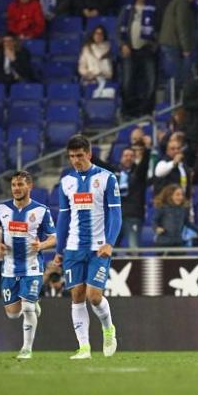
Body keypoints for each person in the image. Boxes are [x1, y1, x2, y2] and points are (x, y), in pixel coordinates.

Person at [54, 135, 121, 360]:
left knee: (94, 296)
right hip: (73, 248)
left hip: (99, 247)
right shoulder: (66, 182)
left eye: (80, 156)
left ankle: (108, 329)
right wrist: (59, 251)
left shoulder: (107, 178)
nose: (76, 160)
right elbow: (63, 219)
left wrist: (109, 243)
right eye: (72, 156)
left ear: (89, 154)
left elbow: (116, 215)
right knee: (77, 296)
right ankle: (84, 348)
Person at [0, 170, 55, 359]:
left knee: (27, 308)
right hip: (9, 267)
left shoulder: (41, 210)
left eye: (20, 185)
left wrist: (41, 245)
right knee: (12, 314)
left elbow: (54, 238)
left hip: (32, 266)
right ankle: (33, 303)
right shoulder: (2, 209)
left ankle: (26, 349)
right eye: (13, 185)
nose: (16, 189)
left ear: (29, 186)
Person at [118, 0, 158, 118]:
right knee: (127, 82)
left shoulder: (153, 9)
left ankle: (146, 110)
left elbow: (158, 28)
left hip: (146, 49)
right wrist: (123, 44)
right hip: (129, 49)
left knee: (151, 81)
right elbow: (119, 29)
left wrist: (154, 45)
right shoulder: (127, 9)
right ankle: (129, 110)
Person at [159, 0, 198, 90]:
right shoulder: (182, 4)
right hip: (173, 43)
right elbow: (182, 26)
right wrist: (186, 48)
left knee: (177, 76)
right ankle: (170, 102)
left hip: (170, 43)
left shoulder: (177, 1)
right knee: (178, 76)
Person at [117, 143, 150, 251]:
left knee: (134, 249)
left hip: (133, 215)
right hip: (115, 216)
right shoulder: (114, 173)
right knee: (109, 249)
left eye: (131, 156)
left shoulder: (139, 173)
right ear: (121, 158)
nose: (128, 158)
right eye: (126, 155)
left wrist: (147, 149)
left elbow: (145, 164)